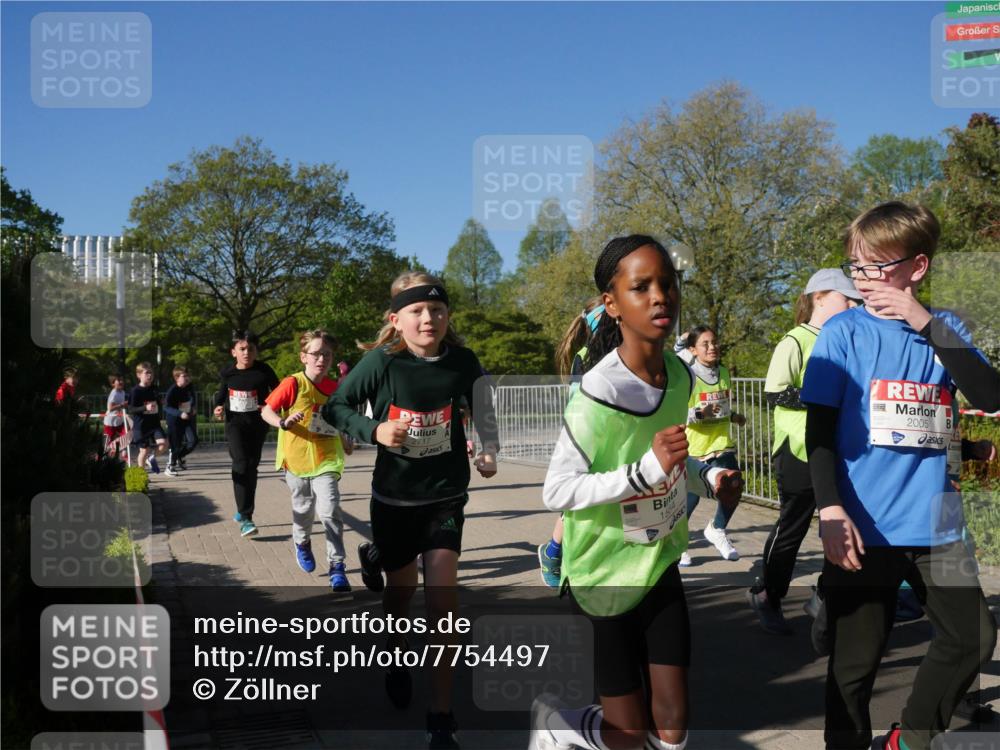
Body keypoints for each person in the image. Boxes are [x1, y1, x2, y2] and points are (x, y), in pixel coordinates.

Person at [532, 235, 743, 750]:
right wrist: (643, 472)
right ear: (613, 303)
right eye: (641, 286)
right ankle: (558, 728)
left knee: (673, 723)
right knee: (626, 737)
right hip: (604, 573)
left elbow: (668, 459)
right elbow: (556, 490)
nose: (659, 297)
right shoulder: (596, 395)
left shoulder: (678, 374)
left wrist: (707, 478)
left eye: (667, 284)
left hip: (657, 559)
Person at [801, 201, 999, 750]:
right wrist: (829, 508)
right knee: (853, 670)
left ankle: (909, 740)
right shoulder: (842, 331)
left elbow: (989, 394)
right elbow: (818, 432)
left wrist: (922, 321)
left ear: (917, 268)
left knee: (975, 638)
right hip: (861, 525)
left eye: (875, 267)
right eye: (855, 267)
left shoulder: (945, 329)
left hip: (937, 523)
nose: (863, 280)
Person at [323, 272, 499, 750]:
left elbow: (482, 402)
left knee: (443, 605)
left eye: (437, 310)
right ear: (396, 320)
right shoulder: (381, 362)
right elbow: (336, 407)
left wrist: (489, 449)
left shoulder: (462, 360)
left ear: (448, 317)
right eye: (417, 311)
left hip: (444, 497)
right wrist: (373, 430)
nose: (429, 319)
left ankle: (440, 718)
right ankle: (395, 653)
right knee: (401, 594)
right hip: (395, 499)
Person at [746, 269, 862, 634]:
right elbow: (774, 392)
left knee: (846, 522)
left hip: (835, 449)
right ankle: (768, 594)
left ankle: (823, 596)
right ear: (820, 297)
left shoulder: (844, 339)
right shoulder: (795, 341)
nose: (855, 305)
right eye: (848, 299)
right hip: (797, 447)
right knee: (792, 528)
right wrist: (824, 399)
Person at [261, 330, 354, 592]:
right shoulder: (293, 383)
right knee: (303, 511)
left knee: (329, 511)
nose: (321, 359)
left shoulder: (336, 388)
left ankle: (337, 566)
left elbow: (339, 420)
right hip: (296, 460)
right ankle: (301, 542)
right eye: (316, 353)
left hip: (327, 460)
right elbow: (266, 410)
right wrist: (282, 422)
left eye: (327, 354)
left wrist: (346, 439)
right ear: (304, 357)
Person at [538, 297, 604, 588]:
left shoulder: (629, 353)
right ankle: (553, 553)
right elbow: (579, 404)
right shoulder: (586, 355)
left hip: (618, 440)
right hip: (586, 439)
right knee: (575, 506)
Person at [678, 326, 746, 566]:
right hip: (695, 446)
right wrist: (705, 412)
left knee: (734, 486)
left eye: (714, 342)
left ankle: (717, 529)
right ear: (693, 350)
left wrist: (734, 416)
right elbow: (679, 412)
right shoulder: (687, 376)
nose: (712, 347)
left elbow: (721, 406)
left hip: (721, 443)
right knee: (691, 499)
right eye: (705, 344)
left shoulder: (724, 372)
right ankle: (678, 542)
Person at [213, 331, 279, 538]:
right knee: (241, 463)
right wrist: (217, 407)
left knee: (252, 466)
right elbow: (221, 395)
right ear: (234, 352)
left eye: (251, 349)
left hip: (258, 425)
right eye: (242, 349)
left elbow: (278, 392)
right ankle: (246, 516)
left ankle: (243, 510)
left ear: (256, 351)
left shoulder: (264, 370)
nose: (247, 352)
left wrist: (270, 405)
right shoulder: (228, 373)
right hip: (235, 425)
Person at [128, 362, 167, 473]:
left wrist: (162, 402)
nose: (150, 375)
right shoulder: (135, 391)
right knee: (144, 451)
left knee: (163, 444)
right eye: (146, 373)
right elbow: (130, 409)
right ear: (139, 375)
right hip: (141, 426)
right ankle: (141, 475)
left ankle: (151, 458)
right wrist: (145, 407)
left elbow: (157, 399)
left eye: (151, 373)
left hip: (154, 424)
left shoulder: (154, 388)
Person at [164, 365, 199, 477]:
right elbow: (166, 407)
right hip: (174, 420)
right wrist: (180, 413)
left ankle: (179, 456)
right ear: (177, 378)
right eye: (184, 376)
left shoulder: (190, 386)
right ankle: (170, 466)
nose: (187, 378)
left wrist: (193, 408)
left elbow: (192, 399)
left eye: (188, 375)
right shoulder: (172, 390)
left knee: (193, 441)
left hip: (188, 419)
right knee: (175, 444)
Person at [103, 373, 129, 458]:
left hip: (119, 421)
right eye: (119, 380)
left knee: (125, 436)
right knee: (108, 443)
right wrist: (122, 405)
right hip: (110, 422)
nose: (121, 382)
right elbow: (110, 408)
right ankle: (103, 457)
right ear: (113, 383)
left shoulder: (123, 392)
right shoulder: (113, 393)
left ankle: (124, 454)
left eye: (122, 380)